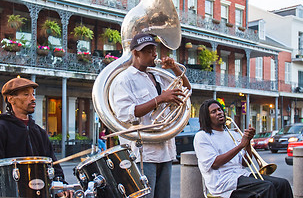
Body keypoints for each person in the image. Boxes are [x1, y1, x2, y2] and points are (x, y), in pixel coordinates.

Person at [111, 33, 191, 198]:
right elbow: (126, 113)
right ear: (135, 53)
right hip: (143, 153)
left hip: (166, 150)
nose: (154, 54)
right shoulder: (124, 79)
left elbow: (187, 89)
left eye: (154, 50)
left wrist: (175, 68)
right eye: (148, 51)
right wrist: (161, 99)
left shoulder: (158, 75)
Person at [0, 77, 72, 198]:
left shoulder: (39, 131)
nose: (33, 98)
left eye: (33, 94)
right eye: (26, 94)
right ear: (11, 99)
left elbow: (53, 164)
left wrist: (61, 184)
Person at [194, 99, 293, 198]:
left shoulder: (232, 134)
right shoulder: (202, 136)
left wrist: (248, 143)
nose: (219, 113)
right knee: (266, 187)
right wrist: (241, 145)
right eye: (213, 112)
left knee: (282, 184)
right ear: (207, 117)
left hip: (240, 174)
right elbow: (214, 164)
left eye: (219, 109)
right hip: (222, 181)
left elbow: (246, 163)